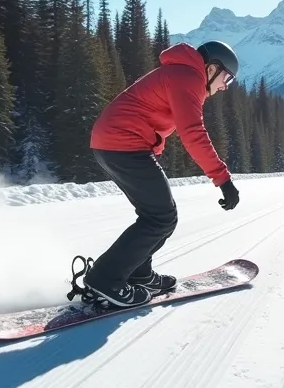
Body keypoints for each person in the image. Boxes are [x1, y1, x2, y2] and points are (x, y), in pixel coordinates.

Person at [74, 40, 241, 308]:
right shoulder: (188, 77)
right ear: (212, 68)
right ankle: (105, 279)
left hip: (116, 143)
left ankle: (139, 273)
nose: (224, 87)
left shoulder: (182, 73)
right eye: (227, 79)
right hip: (123, 144)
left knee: (156, 215)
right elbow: (193, 133)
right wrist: (223, 179)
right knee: (161, 217)